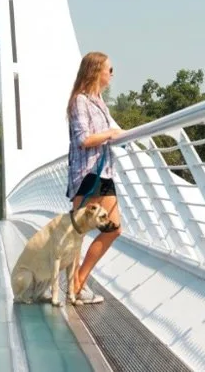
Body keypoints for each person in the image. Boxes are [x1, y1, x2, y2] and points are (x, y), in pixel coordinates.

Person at [66, 51, 124, 304]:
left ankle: (78, 282)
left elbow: (117, 132)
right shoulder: (80, 101)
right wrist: (110, 134)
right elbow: (83, 139)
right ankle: (76, 287)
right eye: (109, 70)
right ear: (95, 71)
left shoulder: (99, 102)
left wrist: (118, 134)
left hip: (104, 172)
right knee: (77, 233)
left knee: (114, 229)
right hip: (88, 174)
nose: (112, 74)